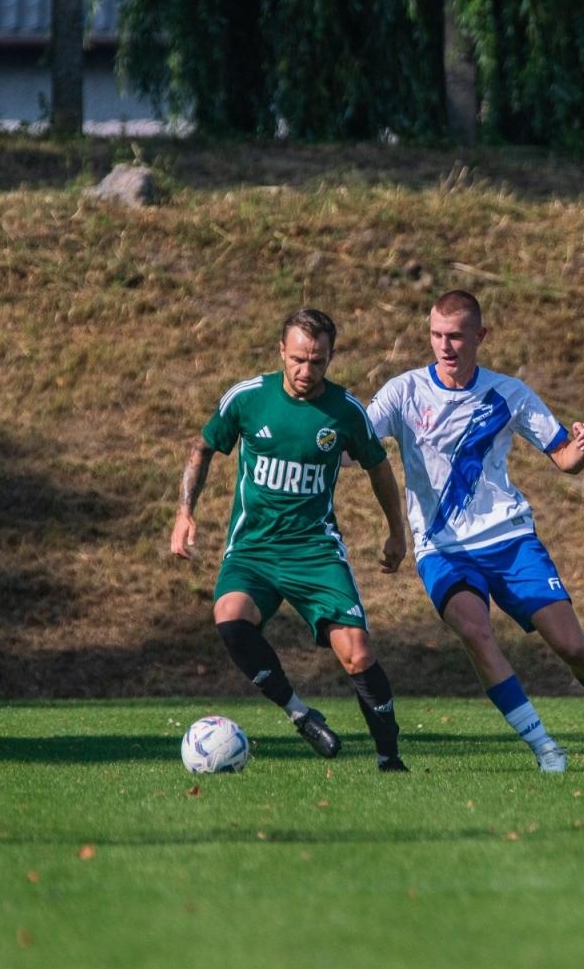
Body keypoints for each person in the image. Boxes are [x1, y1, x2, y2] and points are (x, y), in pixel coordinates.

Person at [367, 290, 584, 773]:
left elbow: (565, 459)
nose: (444, 346)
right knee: (474, 630)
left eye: (455, 336)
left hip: (509, 539)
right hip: (443, 547)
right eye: (436, 335)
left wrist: (583, 446)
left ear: (480, 336)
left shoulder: (508, 394)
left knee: (571, 646)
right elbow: (354, 448)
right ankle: (545, 747)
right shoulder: (403, 392)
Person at [171, 308, 411, 771]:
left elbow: (378, 467)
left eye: (318, 361)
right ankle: (300, 713)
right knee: (229, 618)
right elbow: (203, 448)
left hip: (314, 551)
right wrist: (185, 513)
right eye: (298, 359)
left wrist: (396, 532)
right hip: (254, 549)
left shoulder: (344, 411)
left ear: (331, 357)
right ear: (281, 351)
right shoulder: (248, 399)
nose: (306, 371)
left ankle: (390, 759)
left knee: (358, 655)